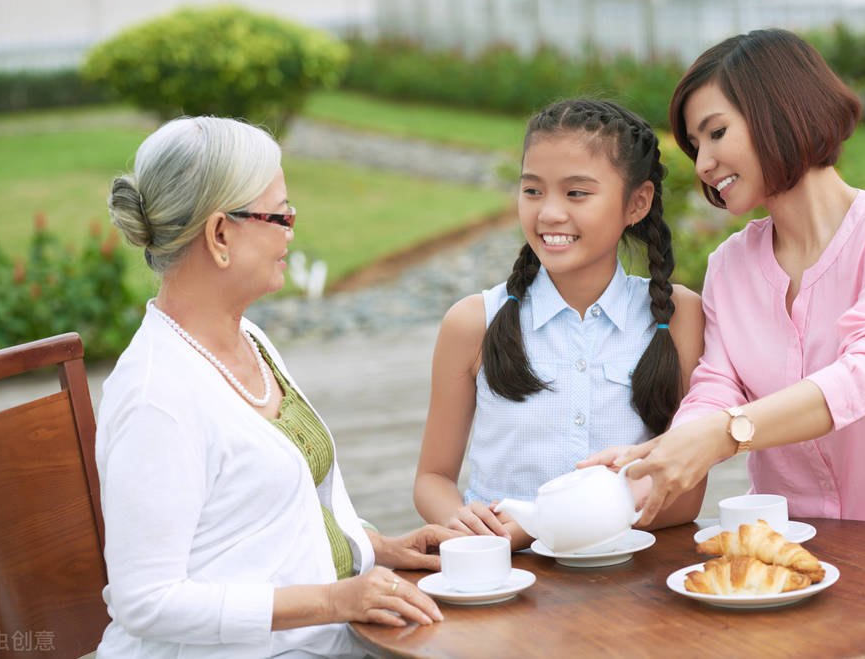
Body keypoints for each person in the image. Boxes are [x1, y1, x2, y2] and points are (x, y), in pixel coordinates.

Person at [581, 29, 865, 541]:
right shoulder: (730, 264)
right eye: (695, 146)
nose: (703, 164)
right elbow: (716, 387)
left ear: (780, 111)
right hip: (785, 548)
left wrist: (727, 433)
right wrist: (659, 456)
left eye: (716, 133)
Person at [96, 116, 459, 659]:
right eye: (280, 215)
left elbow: (270, 517)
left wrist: (380, 548)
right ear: (220, 235)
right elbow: (146, 601)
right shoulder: (157, 399)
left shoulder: (247, 339)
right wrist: (333, 600)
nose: (291, 230)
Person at [413, 98, 706, 550]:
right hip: (506, 571)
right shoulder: (472, 323)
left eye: (576, 193)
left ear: (637, 202)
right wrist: (464, 522)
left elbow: (685, 496)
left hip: (632, 577)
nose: (549, 213)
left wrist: (541, 525)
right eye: (532, 190)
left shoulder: (678, 316)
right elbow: (432, 478)